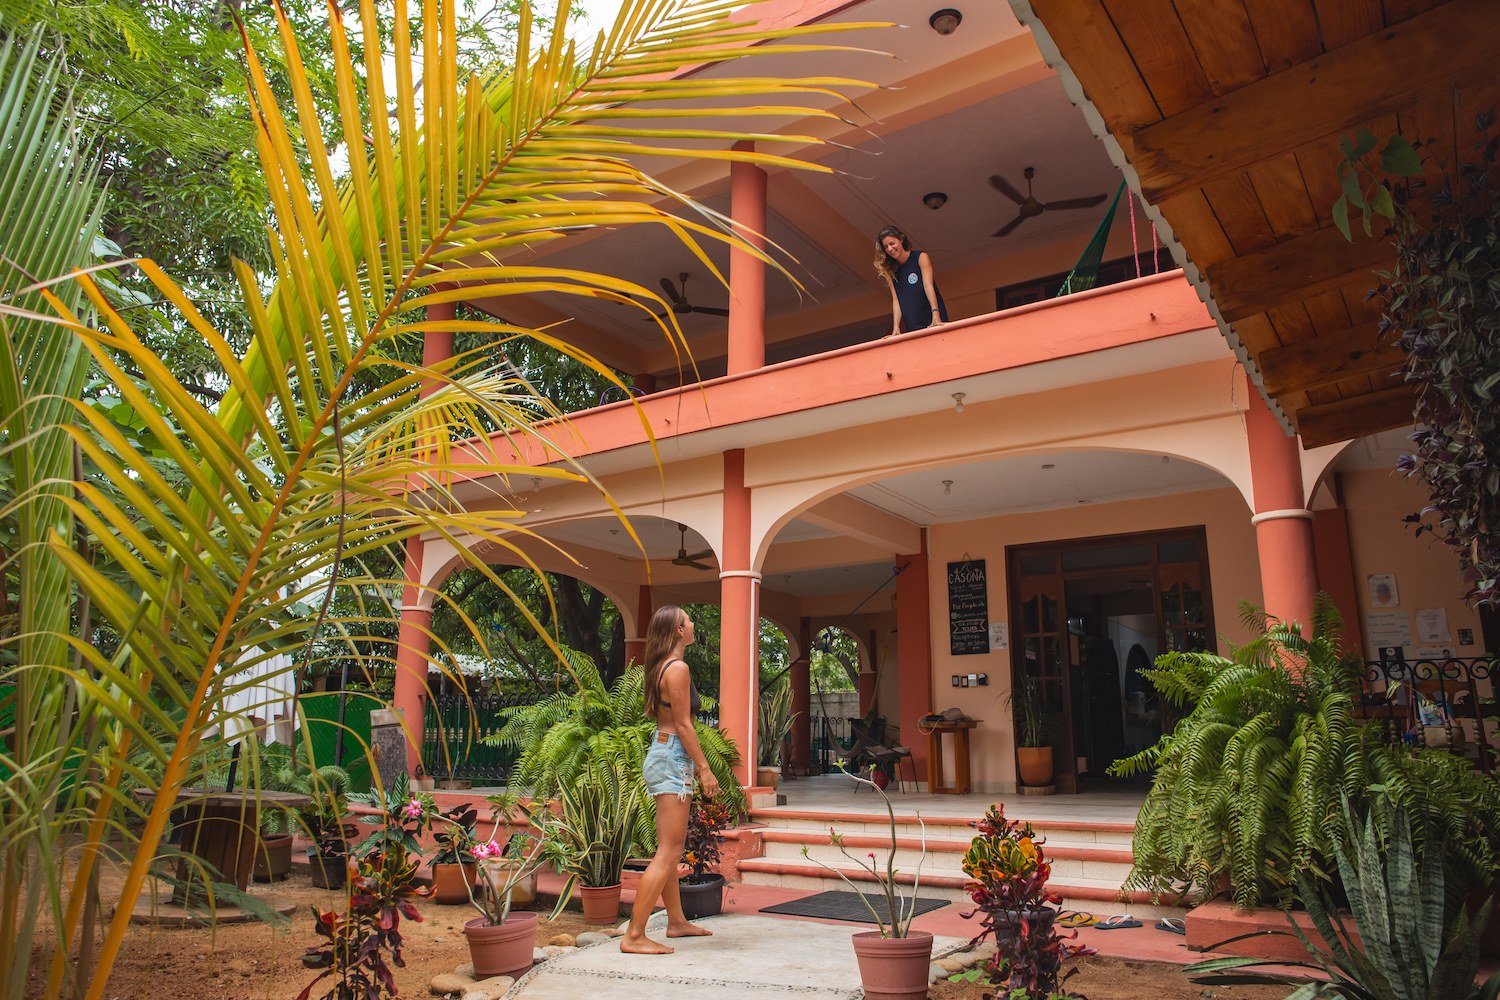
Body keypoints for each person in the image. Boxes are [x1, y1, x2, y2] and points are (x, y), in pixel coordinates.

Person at [620, 605, 720, 955]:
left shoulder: (662, 665)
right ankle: (634, 935)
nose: (693, 624)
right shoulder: (677, 668)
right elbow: (683, 725)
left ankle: (675, 922)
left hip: (664, 753)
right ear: (679, 630)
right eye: (689, 620)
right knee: (669, 849)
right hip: (673, 756)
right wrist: (705, 769)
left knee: (670, 846)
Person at [875, 225, 947, 336]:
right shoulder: (890, 270)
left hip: (932, 319)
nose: (890, 249)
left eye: (892, 243)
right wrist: (896, 328)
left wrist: (936, 315)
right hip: (913, 324)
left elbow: (928, 286)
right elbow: (896, 300)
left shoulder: (920, 257)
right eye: (886, 246)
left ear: (901, 240)